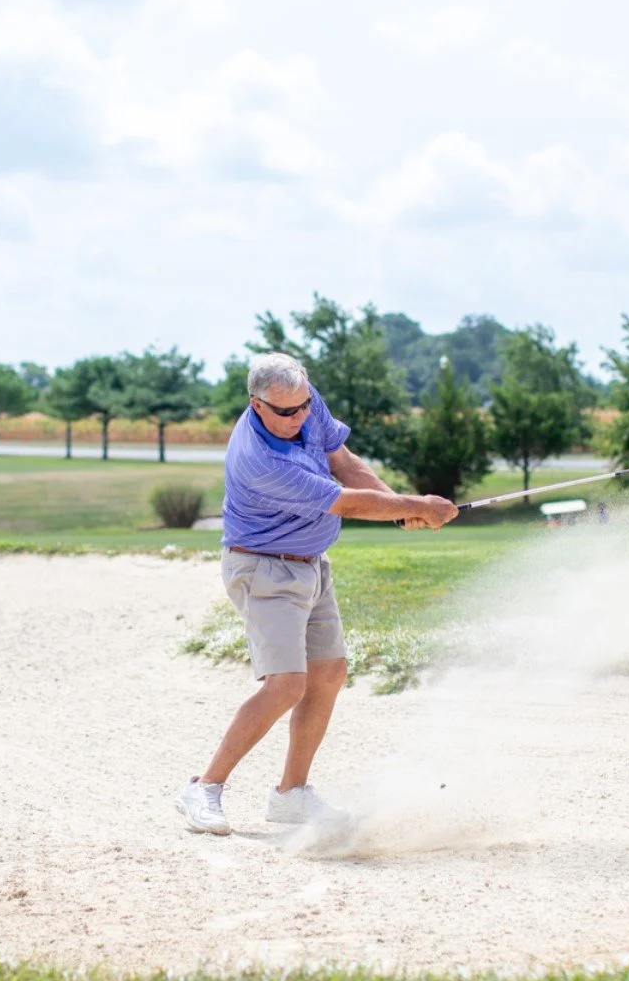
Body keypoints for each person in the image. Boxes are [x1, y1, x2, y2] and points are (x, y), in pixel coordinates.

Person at [175, 352, 458, 835]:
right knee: (287, 684)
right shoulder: (260, 459)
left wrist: (399, 506)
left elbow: (344, 462)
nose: (299, 417)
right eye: (286, 412)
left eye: (304, 405)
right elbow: (342, 501)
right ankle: (203, 787)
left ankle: (291, 795)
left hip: (310, 566)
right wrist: (415, 505)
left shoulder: (302, 401)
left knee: (328, 673)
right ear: (256, 405)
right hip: (263, 569)